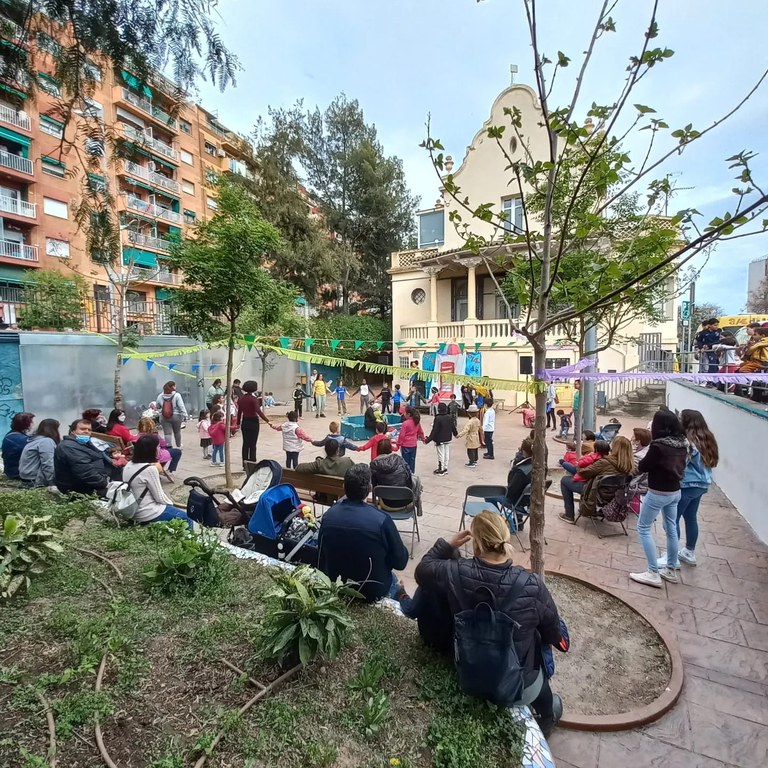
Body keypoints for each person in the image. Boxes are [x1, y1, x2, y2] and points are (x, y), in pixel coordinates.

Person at [413, 511, 563, 736]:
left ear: (478, 543)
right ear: (506, 539)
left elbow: (422, 570)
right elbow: (554, 634)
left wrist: (447, 544)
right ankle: (547, 714)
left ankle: (546, 708)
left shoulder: (454, 571)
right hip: (517, 683)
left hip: (468, 667)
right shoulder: (532, 585)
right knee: (542, 638)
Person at [318, 463, 409, 602]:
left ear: (343, 487)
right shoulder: (381, 520)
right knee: (397, 582)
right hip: (373, 591)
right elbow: (400, 562)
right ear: (370, 489)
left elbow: (321, 556)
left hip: (338, 586)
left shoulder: (328, 516)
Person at [630, 411, 688, 588]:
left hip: (658, 492)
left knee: (643, 527)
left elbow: (644, 465)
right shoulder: (682, 444)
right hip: (675, 492)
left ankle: (652, 571)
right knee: (671, 528)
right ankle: (670, 569)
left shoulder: (658, 446)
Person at [673, 410, 719, 568]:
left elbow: (681, 464)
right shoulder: (707, 437)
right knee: (690, 517)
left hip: (687, 484)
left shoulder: (688, 442)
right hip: (702, 484)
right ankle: (689, 552)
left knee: (673, 519)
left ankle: (671, 556)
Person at [121, 435, 193, 530]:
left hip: (130, 510)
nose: (160, 449)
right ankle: (189, 542)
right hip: (147, 513)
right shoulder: (150, 469)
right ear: (152, 450)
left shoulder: (129, 464)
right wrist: (172, 504)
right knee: (187, 518)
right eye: (158, 447)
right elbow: (159, 497)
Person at [54, 419, 121, 495]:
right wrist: (105, 484)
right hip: (79, 489)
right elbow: (85, 471)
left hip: (91, 485)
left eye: (89, 430)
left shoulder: (84, 443)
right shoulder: (69, 447)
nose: (86, 431)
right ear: (72, 431)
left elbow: (96, 456)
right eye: (82, 429)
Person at [558, 439, 614, 523]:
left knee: (564, 481)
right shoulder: (614, 461)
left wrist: (579, 465)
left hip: (593, 491)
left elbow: (583, 472)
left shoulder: (600, 462)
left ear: (596, 450)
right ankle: (589, 510)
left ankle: (569, 515)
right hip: (607, 492)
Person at [370, 438, 421, 505]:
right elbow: (409, 476)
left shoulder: (374, 464)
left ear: (378, 450)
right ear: (390, 448)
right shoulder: (400, 459)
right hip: (406, 500)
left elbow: (373, 486)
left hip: (386, 502)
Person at [238, 380, 271, 468]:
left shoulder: (241, 398)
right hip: (253, 422)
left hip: (245, 421)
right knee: (252, 444)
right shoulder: (253, 399)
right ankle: (252, 463)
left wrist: (238, 423)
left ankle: (244, 464)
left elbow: (239, 412)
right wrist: (268, 421)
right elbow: (258, 411)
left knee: (245, 443)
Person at [19, 418, 60, 487]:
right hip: (35, 480)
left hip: (26, 478)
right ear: (54, 430)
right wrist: (53, 483)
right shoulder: (46, 441)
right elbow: (48, 463)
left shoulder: (35, 440)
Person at [424, 401, 458, 476]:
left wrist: (428, 440)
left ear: (439, 409)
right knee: (446, 453)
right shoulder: (449, 417)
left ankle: (441, 469)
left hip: (440, 439)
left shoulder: (438, 418)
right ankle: (445, 468)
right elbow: (453, 427)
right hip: (448, 438)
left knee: (441, 454)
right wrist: (456, 434)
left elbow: (434, 430)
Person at [2, 411, 34, 479]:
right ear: (26, 424)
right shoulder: (22, 440)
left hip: (10, 471)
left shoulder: (9, 435)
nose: (33, 424)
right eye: (31, 422)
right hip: (18, 473)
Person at [156, 381, 187, 449]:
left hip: (164, 416)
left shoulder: (160, 396)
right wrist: (185, 415)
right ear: (173, 387)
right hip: (176, 416)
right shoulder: (177, 395)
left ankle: (168, 446)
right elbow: (181, 406)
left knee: (167, 433)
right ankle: (178, 445)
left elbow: (157, 406)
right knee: (177, 432)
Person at [395, 407, 425, 473]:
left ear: (408, 414)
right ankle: (412, 475)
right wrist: (423, 439)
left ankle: (407, 476)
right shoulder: (416, 422)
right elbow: (421, 432)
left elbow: (402, 436)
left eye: (405, 413)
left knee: (405, 462)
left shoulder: (405, 423)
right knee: (412, 461)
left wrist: (398, 444)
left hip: (405, 445)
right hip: (414, 445)